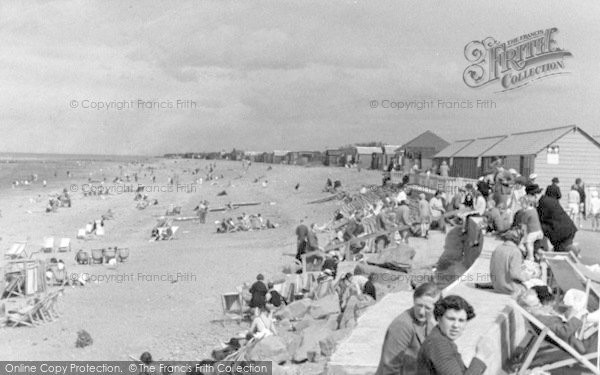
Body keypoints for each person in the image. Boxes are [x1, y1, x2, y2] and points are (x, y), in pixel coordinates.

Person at [417, 295, 493, 375]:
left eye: (461, 320)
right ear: (439, 318)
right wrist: (481, 356)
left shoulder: (440, 339)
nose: (456, 325)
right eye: (451, 319)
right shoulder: (438, 344)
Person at [375, 283, 440, 375]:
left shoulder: (430, 323)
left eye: (427, 308)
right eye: (419, 305)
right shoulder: (402, 326)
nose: (421, 312)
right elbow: (390, 369)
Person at [489, 228, 530, 296]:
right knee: (537, 286)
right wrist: (527, 277)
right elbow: (514, 274)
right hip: (509, 288)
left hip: (496, 285)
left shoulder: (498, 248)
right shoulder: (515, 252)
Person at [537, 186, 577, 252]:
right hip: (566, 231)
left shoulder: (544, 202)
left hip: (562, 233)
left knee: (562, 252)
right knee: (562, 250)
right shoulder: (551, 201)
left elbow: (540, 220)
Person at [516, 196, 543, 261]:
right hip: (539, 231)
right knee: (531, 244)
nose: (521, 206)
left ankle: (530, 257)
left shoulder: (526, 213)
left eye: (521, 204)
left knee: (528, 243)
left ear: (526, 204)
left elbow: (524, 226)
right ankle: (533, 255)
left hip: (533, 231)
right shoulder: (534, 210)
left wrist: (522, 235)